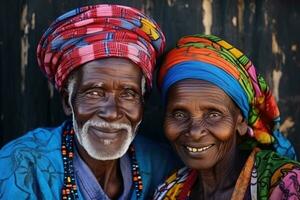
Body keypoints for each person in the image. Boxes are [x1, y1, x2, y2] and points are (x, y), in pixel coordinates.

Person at [0, 4, 180, 199]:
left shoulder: (160, 165)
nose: (111, 113)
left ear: (142, 104)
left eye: (128, 94)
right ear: (68, 102)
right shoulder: (21, 165)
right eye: (94, 93)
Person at [153, 34, 300, 200]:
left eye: (213, 114)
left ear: (241, 121)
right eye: (179, 114)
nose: (194, 131)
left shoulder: (287, 185)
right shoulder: (169, 191)